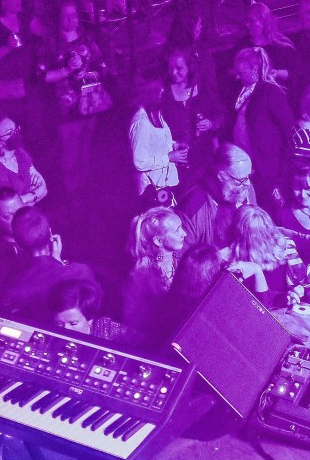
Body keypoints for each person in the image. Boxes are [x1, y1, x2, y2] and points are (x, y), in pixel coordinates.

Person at [40, 1, 107, 198]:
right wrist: (66, 70)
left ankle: (86, 191)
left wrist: (87, 74)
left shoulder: (88, 38)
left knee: (86, 148)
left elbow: (102, 67)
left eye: (74, 15)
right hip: (65, 109)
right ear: (58, 18)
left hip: (89, 103)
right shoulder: (51, 43)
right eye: (66, 15)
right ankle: (72, 194)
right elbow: (41, 76)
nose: (72, 19)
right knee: (70, 152)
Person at [1, 207, 97, 323]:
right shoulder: (81, 272)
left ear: (18, 245)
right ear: (50, 233)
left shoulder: (11, 288)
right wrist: (58, 262)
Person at [230, 47, 295, 207]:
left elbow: (289, 130)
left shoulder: (270, 92)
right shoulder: (241, 90)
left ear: (254, 69)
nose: (237, 77)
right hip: (250, 166)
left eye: (241, 72)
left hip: (268, 168)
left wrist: (282, 172)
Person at [124, 207, 188, 337]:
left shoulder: (179, 258)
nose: (184, 234)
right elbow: (136, 321)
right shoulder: (142, 273)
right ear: (159, 241)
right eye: (177, 230)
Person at [179, 143, 258, 247]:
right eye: (241, 180)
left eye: (249, 175)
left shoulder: (245, 188)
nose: (247, 183)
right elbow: (184, 252)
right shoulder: (194, 205)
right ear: (221, 176)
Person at [161, 48, 220, 179]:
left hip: (203, 155)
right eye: (170, 69)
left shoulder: (203, 89)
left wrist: (210, 123)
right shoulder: (164, 94)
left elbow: (220, 114)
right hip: (178, 158)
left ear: (190, 67)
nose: (174, 73)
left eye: (179, 68)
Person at [225, 205, 300, 306]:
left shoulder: (282, 248)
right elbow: (259, 305)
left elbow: (281, 293)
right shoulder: (233, 264)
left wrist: (289, 296)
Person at [130, 75, 188, 202]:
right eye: (159, 88)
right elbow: (139, 161)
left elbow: (157, 142)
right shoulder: (141, 123)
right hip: (152, 189)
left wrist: (174, 144)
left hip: (165, 184)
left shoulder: (155, 113)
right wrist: (169, 158)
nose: (162, 91)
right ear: (149, 92)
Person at [0, 111, 47, 206]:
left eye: (16, 129)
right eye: (10, 132)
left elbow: (44, 189)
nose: (16, 134)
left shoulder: (20, 153)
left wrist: (23, 199)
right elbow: (10, 206)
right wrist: (34, 195)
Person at [48, 279, 137, 347]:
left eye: (73, 323)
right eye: (59, 323)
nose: (65, 329)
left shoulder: (111, 330)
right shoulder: (47, 329)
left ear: (90, 319)